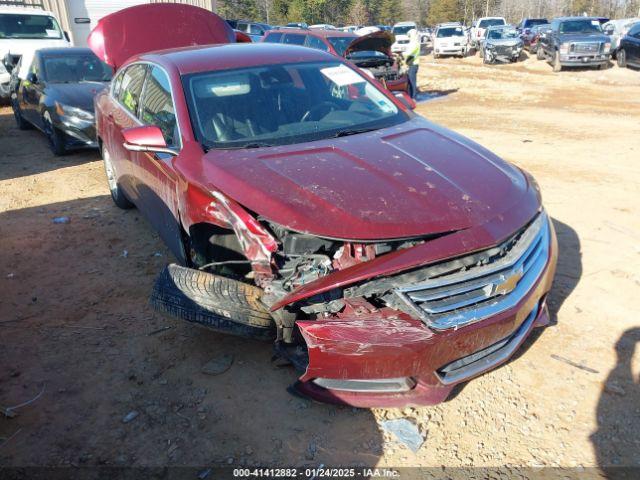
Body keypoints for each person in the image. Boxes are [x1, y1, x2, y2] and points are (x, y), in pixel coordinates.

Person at [404, 29, 421, 99]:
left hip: (413, 65)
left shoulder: (415, 44)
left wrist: (402, 54)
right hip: (411, 64)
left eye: (409, 36)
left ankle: (413, 97)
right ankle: (411, 96)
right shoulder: (412, 43)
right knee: (410, 82)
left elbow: (409, 53)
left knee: (412, 82)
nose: (409, 37)